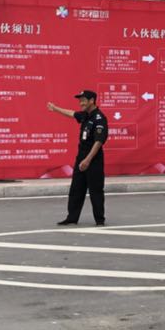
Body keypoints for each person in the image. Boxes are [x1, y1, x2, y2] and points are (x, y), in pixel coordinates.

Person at [46, 89, 109, 227]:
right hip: (81, 157)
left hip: (93, 160)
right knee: (76, 189)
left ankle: (99, 220)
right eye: (80, 101)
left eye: (83, 100)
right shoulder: (85, 115)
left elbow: (99, 141)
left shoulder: (99, 118)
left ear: (92, 101)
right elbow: (71, 113)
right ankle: (72, 218)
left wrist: (88, 160)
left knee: (96, 190)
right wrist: (55, 108)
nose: (81, 103)